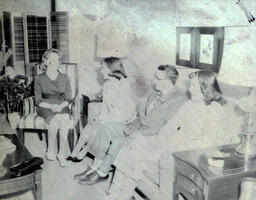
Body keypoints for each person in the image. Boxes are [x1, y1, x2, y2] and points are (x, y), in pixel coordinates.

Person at [108, 70, 246, 200]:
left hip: (184, 152)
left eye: (193, 86)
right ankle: (114, 194)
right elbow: (168, 128)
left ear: (204, 88)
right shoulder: (189, 104)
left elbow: (206, 142)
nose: (189, 89)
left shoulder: (213, 110)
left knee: (137, 157)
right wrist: (159, 141)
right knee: (130, 147)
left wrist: (170, 145)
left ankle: (121, 196)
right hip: (171, 143)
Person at [72, 57, 137, 185]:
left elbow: (121, 112)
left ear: (110, 69)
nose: (100, 70)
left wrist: (102, 119)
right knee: (91, 126)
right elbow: (108, 107)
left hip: (124, 121)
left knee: (97, 128)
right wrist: (100, 117)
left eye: (103, 68)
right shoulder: (112, 82)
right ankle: (93, 166)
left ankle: (94, 167)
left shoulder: (113, 84)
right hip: (118, 118)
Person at [34, 48, 72, 167]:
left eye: (58, 59)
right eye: (53, 59)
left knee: (64, 118)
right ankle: (51, 149)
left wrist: (60, 106)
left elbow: (68, 98)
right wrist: (51, 106)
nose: (57, 62)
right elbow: (38, 100)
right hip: (45, 105)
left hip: (62, 105)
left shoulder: (65, 77)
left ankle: (61, 153)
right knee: (55, 119)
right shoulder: (39, 79)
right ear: (46, 61)